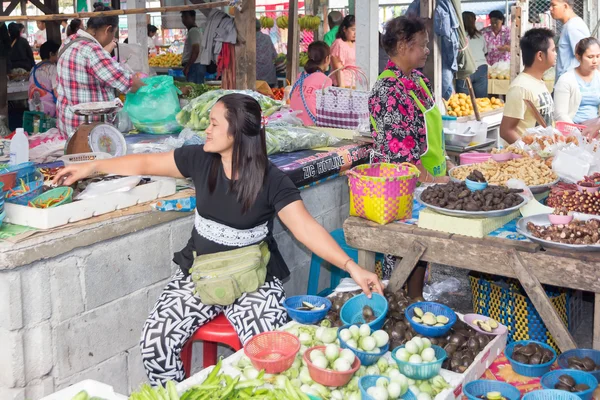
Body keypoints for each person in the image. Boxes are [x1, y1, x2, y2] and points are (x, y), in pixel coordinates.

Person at [52, 93, 383, 384]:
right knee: (156, 340)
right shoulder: (200, 159)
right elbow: (146, 161)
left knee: (270, 353)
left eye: (213, 124)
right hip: (202, 272)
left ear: (236, 132)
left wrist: (352, 267)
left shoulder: (273, 180)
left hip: (254, 279)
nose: (206, 130)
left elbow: (305, 228)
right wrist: (92, 167)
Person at [370, 16, 454, 295]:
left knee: (423, 251)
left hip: (427, 182)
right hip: (401, 188)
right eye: (422, 45)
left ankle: (414, 299)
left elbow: (426, 133)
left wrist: (446, 166)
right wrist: (434, 180)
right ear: (404, 46)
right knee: (405, 251)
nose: (427, 50)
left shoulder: (418, 80)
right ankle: (402, 302)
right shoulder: (388, 90)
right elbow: (400, 156)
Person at [56, 5, 144, 137]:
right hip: (89, 132)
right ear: (108, 29)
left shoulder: (68, 42)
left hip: (68, 126)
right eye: (113, 33)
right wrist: (154, 88)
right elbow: (127, 82)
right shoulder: (91, 50)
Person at [500, 28, 556, 145]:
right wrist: (530, 150)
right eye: (553, 50)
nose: (556, 54)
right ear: (540, 55)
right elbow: (506, 131)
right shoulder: (520, 87)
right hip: (526, 159)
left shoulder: (538, 82)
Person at [554, 37, 600, 124]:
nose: (595, 61)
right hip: (572, 129)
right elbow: (560, 114)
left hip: (594, 130)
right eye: (590, 57)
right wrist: (576, 131)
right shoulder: (566, 80)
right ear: (578, 57)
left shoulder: (598, 77)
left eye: (598, 56)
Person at [290, 41, 333, 126]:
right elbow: (327, 108)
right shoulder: (325, 80)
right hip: (312, 126)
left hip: (294, 123)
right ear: (327, 59)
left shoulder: (300, 76)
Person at [551, 0, 590, 80]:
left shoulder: (573, 26)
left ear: (565, 6)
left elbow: (586, 57)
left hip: (570, 86)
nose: (550, 8)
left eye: (553, 5)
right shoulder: (569, 25)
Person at [456, 12, 488, 98]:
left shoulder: (458, 37)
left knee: (464, 102)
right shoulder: (480, 35)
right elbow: (485, 52)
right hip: (481, 67)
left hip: (465, 68)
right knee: (481, 101)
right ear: (474, 21)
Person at [28, 40, 60, 117]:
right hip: (48, 110)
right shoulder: (53, 68)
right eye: (57, 53)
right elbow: (57, 92)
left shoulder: (33, 69)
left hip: (33, 108)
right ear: (51, 54)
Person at [330, 15, 356, 88]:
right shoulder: (338, 43)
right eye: (353, 30)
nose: (355, 33)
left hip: (355, 83)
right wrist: (342, 87)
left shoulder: (355, 44)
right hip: (343, 85)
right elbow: (338, 68)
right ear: (344, 29)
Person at [180, 11, 205, 84]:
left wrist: (188, 66)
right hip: (196, 65)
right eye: (182, 17)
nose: (184, 20)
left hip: (195, 66)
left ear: (193, 18)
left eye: (186, 17)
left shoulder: (193, 31)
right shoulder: (195, 30)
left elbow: (195, 50)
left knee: (194, 89)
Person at [255, 19, 277, 88]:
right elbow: (274, 55)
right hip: (270, 78)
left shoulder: (247, 40)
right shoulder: (267, 38)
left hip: (255, 80)